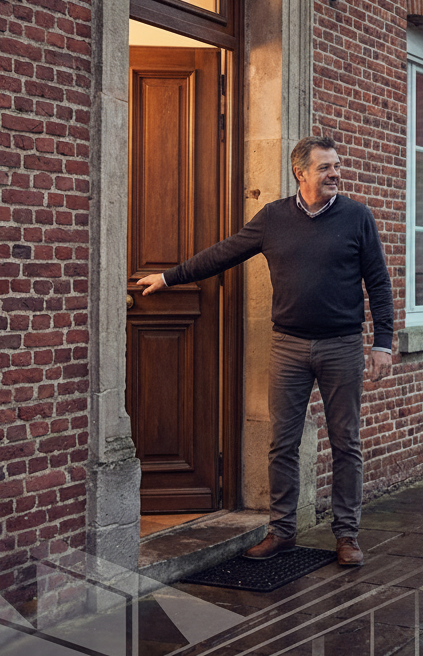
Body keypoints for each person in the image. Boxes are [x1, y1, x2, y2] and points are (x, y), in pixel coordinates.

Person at [136, 135, 393, 567]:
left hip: (342, 346)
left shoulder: (357, 217)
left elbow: (379, 283)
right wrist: (169, 278)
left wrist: (382, 342)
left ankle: (347, 536)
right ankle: (282, 530)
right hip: (288, 346)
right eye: (325, 167)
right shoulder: (273, 218)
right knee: (281, 443)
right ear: (301, 172)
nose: (335, 173)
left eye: (337, 166)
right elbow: (224, 253)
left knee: (345, 442)